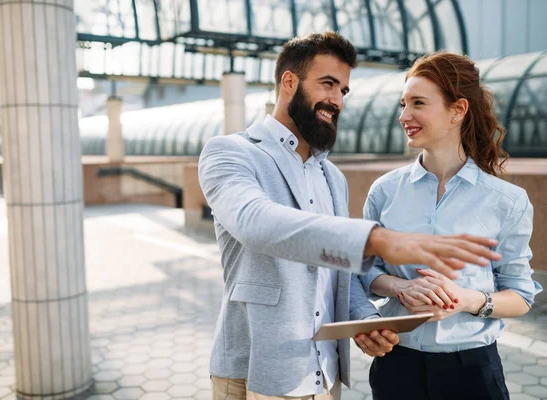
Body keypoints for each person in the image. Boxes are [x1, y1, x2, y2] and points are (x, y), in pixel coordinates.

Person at [198, 33, 501, 400]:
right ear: (289, 82)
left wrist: (367, 322)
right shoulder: (231, 153)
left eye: (343, 90)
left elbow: (339, 274)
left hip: (324, 374)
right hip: (256, 373)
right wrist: (378, 240)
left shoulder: (333, 178)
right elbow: (256, 222)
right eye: (328, 84)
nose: (337, 100)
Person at [359, 51, 543, 400]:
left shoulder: (507, 200)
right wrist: (400, 287)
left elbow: (520, 295)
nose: (404, 116)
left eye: (418, 103)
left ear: (457, 111)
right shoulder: (384, 191)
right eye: (403, 103)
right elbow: (364, 273)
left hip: (472, 372)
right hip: (397, 365)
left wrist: (465, 300)